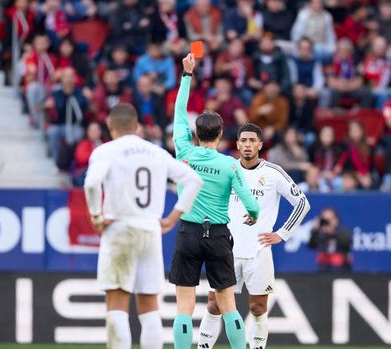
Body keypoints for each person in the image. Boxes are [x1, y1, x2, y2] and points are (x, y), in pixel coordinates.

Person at [83, 103, 203, 349]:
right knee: (149, 306)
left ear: (109, 126)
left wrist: (96, 216)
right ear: (136, 126)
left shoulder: (106, 151)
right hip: (150, 230)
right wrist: (172, 217)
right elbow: (193, 180)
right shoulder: (155, 152)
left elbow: (92, 184)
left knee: (117, 302)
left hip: (120, 227)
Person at [170, 53, 259, 349]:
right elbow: (250, 202)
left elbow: (179, 112)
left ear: (195, 133)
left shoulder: (184, 150)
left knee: (184, 306)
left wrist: (187, 76)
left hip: (188, 232)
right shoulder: (230, 164)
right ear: (221, 135)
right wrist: (253, 215)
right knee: (228, 304)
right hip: (219, 234)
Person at [197, 123, 310, 349]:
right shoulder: (227, 168)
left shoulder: (273, 173)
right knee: (214, 305)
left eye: (252, 141)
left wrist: (281, 234)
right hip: (225, 249)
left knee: (258, 308)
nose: (247, 145)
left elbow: (302, 203)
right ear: (237, 144)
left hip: (258, 252)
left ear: (260, 144)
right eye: (243, 141)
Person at [308, 208, 352, 272]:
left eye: (329, 220)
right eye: (324, 220)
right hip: (323, 268)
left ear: (336, 220)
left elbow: (346, 245)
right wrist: (315, 230)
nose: (326, 223)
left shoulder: (343, 232)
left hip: (341, 268)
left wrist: (332, 232)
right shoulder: (320, 233)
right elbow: (311, 245)